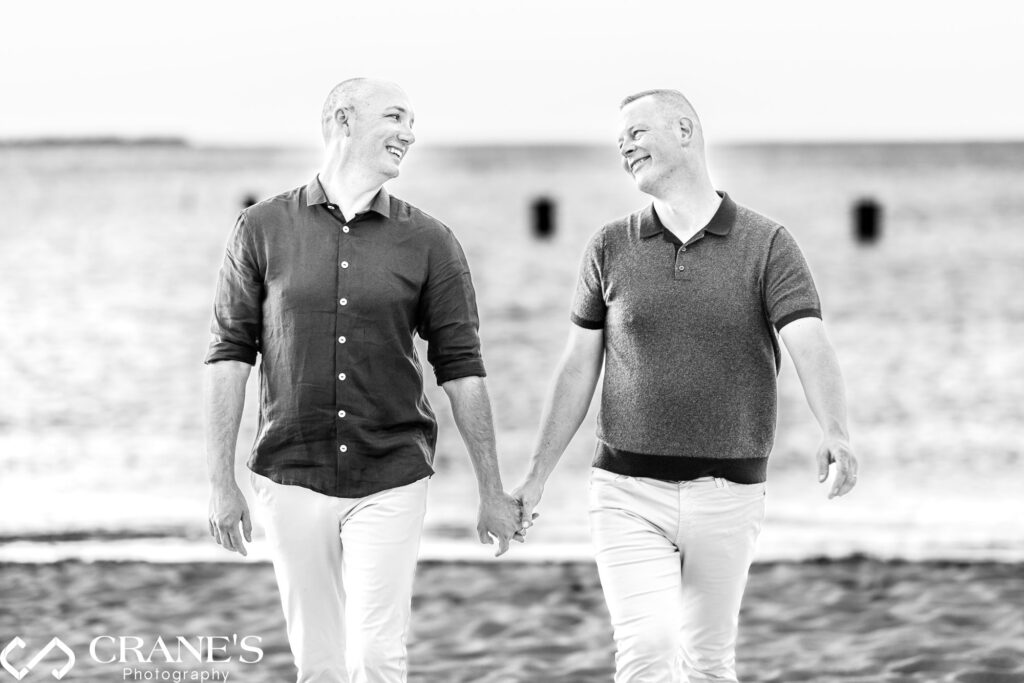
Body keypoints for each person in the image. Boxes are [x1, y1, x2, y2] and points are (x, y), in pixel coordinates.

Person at [513, 89, 859, 682]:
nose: (624, 145)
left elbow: (809, 341)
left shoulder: (767, 243)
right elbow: (577, 367)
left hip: (730, 491)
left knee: (707, 660)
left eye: (637, 132)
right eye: (619, 138)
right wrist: (537, 476)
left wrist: (837, 431)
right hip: (625, 490)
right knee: (645, 648)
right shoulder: (609, 246)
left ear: (683, 130)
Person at [203, 78, 521, 683]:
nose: (409, 132)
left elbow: (461, 367)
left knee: (377, 656)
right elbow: (228, 355)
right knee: (318, 661)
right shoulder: (260, 228)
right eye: (396, 117)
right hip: (290, 474)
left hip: (392, 473)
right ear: (344, 120)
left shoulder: (431, 241)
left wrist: (491, 489)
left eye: (412, 122)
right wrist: (220, 482)